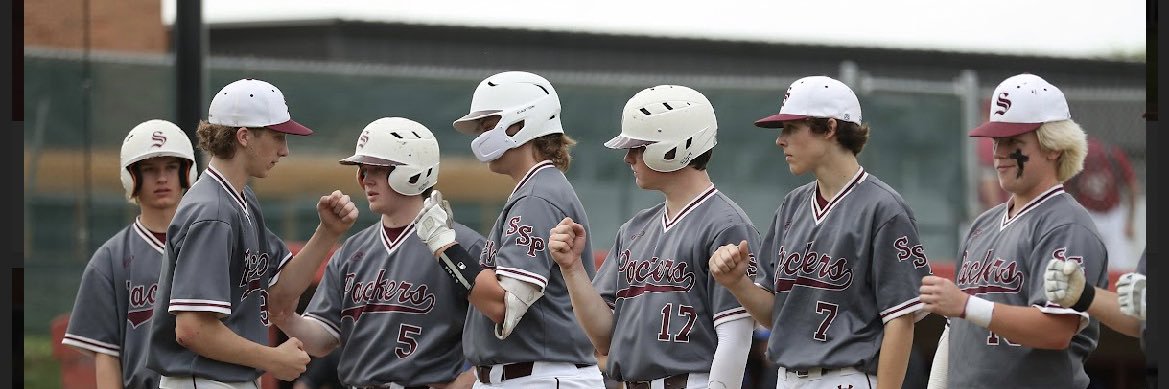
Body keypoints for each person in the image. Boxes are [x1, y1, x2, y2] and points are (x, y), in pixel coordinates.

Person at [709, 75, 933, 389]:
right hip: (787, 377)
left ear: (829, 128)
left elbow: (900, 320)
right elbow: (780, 317)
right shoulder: (793, 205)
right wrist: (737, 284)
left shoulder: (884, 208)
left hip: (847, 377)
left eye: (791, 128)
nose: (780, 140)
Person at [147, 78, 360, 389]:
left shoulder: (241, 201)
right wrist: (272, 359)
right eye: (277, 136)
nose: (284, 150)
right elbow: (192, 329)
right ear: (244, 136)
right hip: (202, 380)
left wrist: (327, 233)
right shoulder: (213, 212)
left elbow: (279, 295)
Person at [547, 85, 757, 389]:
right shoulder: (634, 228)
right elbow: (604, 337)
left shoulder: (726, 225)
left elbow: (735, 338)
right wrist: (572, 268)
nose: (629, 158)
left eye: (639, 146)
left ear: (674, 145)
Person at [411, 70, 605, 387]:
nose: (480, 135)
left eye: (488, 124)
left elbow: (503, 305)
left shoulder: (537, 197)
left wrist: (445, 246)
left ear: (521, 123)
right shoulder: (537, 190)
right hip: (529, 374)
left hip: (540, 376)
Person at [919, 73, 1108, 389]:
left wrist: (966, 304)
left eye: (1013, 142)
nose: (998, 152)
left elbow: (1056, 330)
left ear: (1054, 148)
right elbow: (956, 330)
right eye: (996, 140)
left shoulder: (1065, 224)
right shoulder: (983, 225)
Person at [270, 117, 484, 388]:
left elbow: (503, 331)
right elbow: (323, 341)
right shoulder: (352, 251)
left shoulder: (461, 245)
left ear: (413, 171)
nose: (366, 179)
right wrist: (285, 318)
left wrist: (468, 381)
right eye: (362, 170)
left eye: (377, 169)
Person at [61, 119, 198, 389]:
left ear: (186, 172)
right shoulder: (109, 259)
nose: (162, 178)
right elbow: (106, 354)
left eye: (171, 167)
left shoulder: (212, 242)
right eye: (149, 169)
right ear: (131, 177)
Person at [1063, 136, 1140, 270]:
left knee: (1119, 263)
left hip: (1113, 214)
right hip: (1088, 213)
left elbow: (1132, 187)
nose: (1094, 162)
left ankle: (1116, 291)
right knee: (1085, 262)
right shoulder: (1076, 160)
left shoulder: (1113, 156)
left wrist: (1130, 222)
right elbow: (1064, 190)